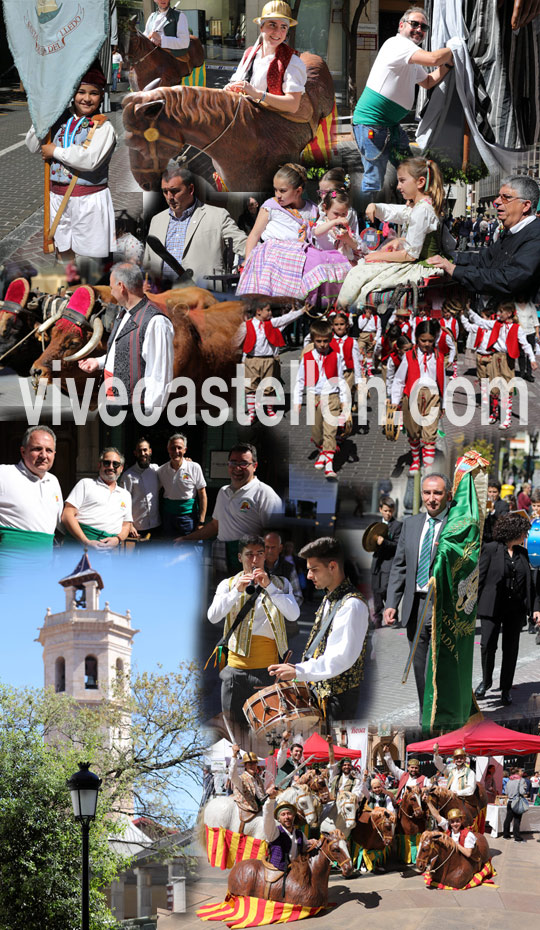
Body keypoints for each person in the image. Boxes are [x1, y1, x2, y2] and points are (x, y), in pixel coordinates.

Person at [352, 7, 454, 192]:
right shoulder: (397, 44)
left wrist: (447, 65)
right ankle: (365, 219)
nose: (419, 29)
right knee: (374, 179)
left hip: (390, 125)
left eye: (424, 27)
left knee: (411, 173)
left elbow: (428, 81)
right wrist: (454, 49)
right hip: (371, 124)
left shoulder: (411, 54)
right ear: (401, 25)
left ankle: (409, 210)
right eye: (414, 24)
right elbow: (432, 59)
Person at [268, 536, 369, 722]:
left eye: (314, 570)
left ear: (332, 566)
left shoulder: (351, 605)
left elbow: (340, 658)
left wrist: (299, 671)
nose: (308, 576)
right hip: (321, 695)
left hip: (338, 701)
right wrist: (298, 668)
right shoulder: (329, 597)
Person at [25, 63, 116, 259]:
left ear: (101, 96)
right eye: (81, 91)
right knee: (63, 251)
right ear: (72, 93)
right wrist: (42, 116)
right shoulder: (57, 119)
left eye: (93, 93)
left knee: (87, 258)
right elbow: (32, 145)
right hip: (57, 197)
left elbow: (89, 160)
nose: (86, 98)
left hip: (88, 199)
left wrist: (54, 151)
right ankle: (67, 287)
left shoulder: (103, 126)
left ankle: (87, 288)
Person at [207, 535, 299, 727]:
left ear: (266, 556)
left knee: (264, 728)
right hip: (235, 670)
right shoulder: (228, 584)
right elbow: (213, 617)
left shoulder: (280, 584)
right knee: (233, 727)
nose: (255, 560)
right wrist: (236, 592)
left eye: (259, 554)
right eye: (249, 555)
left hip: (267, 670)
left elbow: (293, 615)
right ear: (240, 557)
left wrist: (270, 587)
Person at [338, 157, 447, 312]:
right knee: (364, 269)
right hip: (421, 261)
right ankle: (348, 312)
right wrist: (374, 206)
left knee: (361, 272)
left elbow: (410, 255)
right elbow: (398, 212)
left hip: (421, 265)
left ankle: (346, 312)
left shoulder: (422, 210)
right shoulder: (423, 206)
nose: (398, 186)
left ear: (420, 182)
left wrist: (377, 256)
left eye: (402, 181)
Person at [384, 474, 453, 715]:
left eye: (437, 493)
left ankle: (443, 712)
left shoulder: (456, 524)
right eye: (427, 493)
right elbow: (400, 565)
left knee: (440, 666)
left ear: (448, 495)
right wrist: (392, 602)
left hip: (441, 605)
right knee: (420, 664)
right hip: (415, 605)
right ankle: (427, 716)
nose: (431, 499)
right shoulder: (411, 524)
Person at [237, 164, 352, 306]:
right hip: (273, 257)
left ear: (298, 191)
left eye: (282, 190)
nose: (278, 194)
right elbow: (254, 235)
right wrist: (249, 261)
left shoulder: (312, 209)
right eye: (275, 190)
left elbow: (316, 235)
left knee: (326, 262)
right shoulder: (271, 206)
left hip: (300, 258)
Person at [78, 263, 174, 413]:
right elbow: (125, 351)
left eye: (111, 287)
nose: (111, 292)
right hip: (116, 402)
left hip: (136, 408)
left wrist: (149, 413)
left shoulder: (156, 322)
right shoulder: (124, 313)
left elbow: (160, 375)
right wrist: (98, 362)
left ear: (121, 286)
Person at [428, 176, 540, 299]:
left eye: (506, 197)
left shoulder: (536, 235)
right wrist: (451, 258)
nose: (496, 202)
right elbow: (485, 259)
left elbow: (509, 279)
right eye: (498, 196)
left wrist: (455, 270)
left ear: (525, 206)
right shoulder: (510, 232)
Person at [178, 443, 282, 566]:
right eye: (233, 463)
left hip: (250, 558)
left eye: (243, 463)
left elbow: (274, 534)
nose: (237, 468)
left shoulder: (265, 493)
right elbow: (214, 525)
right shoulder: (223, 492)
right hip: (221, 554)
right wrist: (187, 539)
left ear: (255, 466)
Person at [143, 165, 247, 288]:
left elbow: (243, 244)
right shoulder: (157, 220)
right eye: (165, 192)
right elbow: (147, 262)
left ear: (191, 189)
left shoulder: (217, 216)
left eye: (175, 191)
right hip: (162, 295)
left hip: (202, 294)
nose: (170, 197)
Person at [474, 512, 538, 705]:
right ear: (514, 531)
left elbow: (531, 585)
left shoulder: (523, 554)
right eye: (524, 533)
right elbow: (480, 578)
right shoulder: (491, 549)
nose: (526, 537)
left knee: (511, 649)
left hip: (515, 608)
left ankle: (506, 689)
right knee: (487, 646)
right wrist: (471, 606)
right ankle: (485, 682)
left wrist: (535, 608)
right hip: (491, 606)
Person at [463, 300, 537, 428]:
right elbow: (482, 322)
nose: (498, 313)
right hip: (495, 356)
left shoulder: (517, 328)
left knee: (507, 388)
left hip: (507, 359)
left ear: (508, 313)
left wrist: (532, 359)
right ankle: (494, 413)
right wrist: (469, 311)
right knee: (494, 387)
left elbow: (526, 345)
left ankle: (506, 418)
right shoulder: (496, 324)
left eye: (501, 311)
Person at [224, 1, 307, 115]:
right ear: (261, 27)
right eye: (272, 25)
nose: (277, 32)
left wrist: (257, 94)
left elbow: (293, 105)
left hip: (272, 124)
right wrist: (232, 88)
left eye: (283, 27)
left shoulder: (292, 62)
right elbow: (237, 82)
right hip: (246, 116)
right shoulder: (249, 53)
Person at [292, 317, 348, 479]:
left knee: (330, 431)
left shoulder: (336, 356)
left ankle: (329, 465)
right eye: (318, 341)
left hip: (331, 396)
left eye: (325, 341)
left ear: (330, 340)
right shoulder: (308, 358)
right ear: (313, 340)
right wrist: (297, 401)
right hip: (313, 396)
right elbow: (300, 380)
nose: (322, 345)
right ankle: (322, 451)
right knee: (317, 433)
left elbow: (340, 379)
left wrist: (344, 399)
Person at [237, 301, 308, 422]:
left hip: (268, 360)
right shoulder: (246, 325)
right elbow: (239, 341)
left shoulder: (272, 323)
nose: (270, 312)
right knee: (250, 388)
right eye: (268, 310)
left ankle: (269, 410)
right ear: (258, 311)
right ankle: (251, 414)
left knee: (269, 386)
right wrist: (241, 358)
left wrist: (300, 311)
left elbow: (286, 319)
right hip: (252, 360)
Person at [391, 319, 446, 472]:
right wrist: (395, 402)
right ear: (416, 338)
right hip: (412, 396)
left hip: (433, 397)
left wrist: (444, 403)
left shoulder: (439, 357)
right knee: (414, 432)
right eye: (423, 340)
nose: (427, 344)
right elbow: (399, 379)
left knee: (430, 433)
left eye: (430, 340)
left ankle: (428, 467)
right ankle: (416, 460)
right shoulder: (409, 356)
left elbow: (443, 381)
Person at [0, 426, 63, 558]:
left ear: (55, 454)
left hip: (43, 566)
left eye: (49, 450)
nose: (44, 455)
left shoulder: (53, 481)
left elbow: (60, 523)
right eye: (37, 449)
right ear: (23, 452)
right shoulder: (4, 474)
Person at [62, 448, 132, 548]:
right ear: (99, 465)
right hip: (77, 546)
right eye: (106, 463)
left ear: (121, 468)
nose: (111, 467)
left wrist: (117, 539)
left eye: (115, 464)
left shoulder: (126, 495)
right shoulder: (85, 484)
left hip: (106, 551)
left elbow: (126, 525)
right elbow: (67, 515)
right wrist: (86, 541)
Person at [157, 433, 207, 538]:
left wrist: (201, 521)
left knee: (188, 549)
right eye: (173, 448)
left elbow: (202, 494)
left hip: (189, 517)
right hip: (168, 517)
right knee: (169, 549)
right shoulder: (161, 471)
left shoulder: (194, 467)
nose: (176, 451)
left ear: (185, 450)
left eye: (179, 448)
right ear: (168, 449)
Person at [371, 496, 402, 628]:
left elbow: (397, 545)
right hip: (377, 563)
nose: (388, 513)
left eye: (390, 511)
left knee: (385, 589)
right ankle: (377, 619)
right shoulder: (376, 525)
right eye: (385, 511)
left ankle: (392, 615)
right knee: (376, 591)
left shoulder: (397, 526)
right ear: (380, 510)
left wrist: (384, 542)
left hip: (389, 563)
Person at [120, 438, 161, 537]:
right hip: (137, 528)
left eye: (145, 450)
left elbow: (172, 471)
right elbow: (123, 503)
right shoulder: (127, 475)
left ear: (150, 451)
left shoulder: (156, 470)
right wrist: (129, 525)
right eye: (139, 451)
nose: (143, 453)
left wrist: (185, 461)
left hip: (156, 524)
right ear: (135, 453)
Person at [262, 797, 309, 870]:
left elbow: (306, 848)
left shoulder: (300, 834)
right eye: (283, 814)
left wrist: (313, 843)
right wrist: (270, 800)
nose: (287, 817)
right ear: (278, 819)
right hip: (277, 872)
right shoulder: (274, 832)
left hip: (295, 871)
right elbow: (267, 818)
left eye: (289, 814)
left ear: (293, 816)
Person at [264, 532, 303, 607]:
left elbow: (297, 596)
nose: (270, 551)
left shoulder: (289, 568)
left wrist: (283, 609)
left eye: (273, 547)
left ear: (280, 548)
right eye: (267, 547)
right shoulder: (256, 567)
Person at [229, 743, 267, 819]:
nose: (252, 766)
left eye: (254, 763)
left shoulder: (258, 778)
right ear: (245, 765)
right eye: (250, 764)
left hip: (260, 809)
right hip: (248, 811)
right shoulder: (241, 779)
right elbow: (232, 775)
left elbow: (262, 795)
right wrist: (234, 756)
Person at [503, 767, 529, 842]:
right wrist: (524, 790)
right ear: (518, 773)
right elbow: (521, 792)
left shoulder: (509, 780)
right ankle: (517, 837)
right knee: (517, 819)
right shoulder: (521, 780)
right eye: (521, 771)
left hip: (510, 801)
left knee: (508, 819)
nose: (522, 772)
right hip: (517, 801)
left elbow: (506, 792)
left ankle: (506, 834)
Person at [483, 479, 510, 544]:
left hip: (496, 539)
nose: (492, 494)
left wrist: (493, 511)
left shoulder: (504, 505)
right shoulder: (483, 503)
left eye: (494, 492)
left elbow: (503, 520)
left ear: (499, 492)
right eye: (490, 492)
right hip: (484, 538)